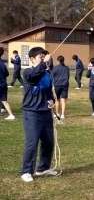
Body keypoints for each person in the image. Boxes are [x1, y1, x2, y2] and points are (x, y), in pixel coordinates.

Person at [21, 46, 59, 182]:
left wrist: (52, 100)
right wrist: (44, 63)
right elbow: (33, 75)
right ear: (32, 59)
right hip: (32, 113)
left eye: (44, 57)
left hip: (45, 112)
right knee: (32, 142)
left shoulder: (46, 73)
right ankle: (26, 171)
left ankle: (42, 168)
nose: (43, 59)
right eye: (40, 57)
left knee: (48, 142)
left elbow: (48, 90)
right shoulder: (27, 72)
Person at [52, 55, 70, 122]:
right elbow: (68, 76)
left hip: (57, 85)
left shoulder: (55, 68)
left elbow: (52, 76)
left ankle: (57, 113)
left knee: (57, 100)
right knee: (63, 100)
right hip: (65, 85)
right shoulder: (67, 68)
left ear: (58, 61)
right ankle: (62, 114)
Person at [0, 47, 15, 120]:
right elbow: (7, 73)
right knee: (4, 101)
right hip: (3, 84)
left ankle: (10, 114)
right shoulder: (3, 64)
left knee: (4, 101)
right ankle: (11, 115)